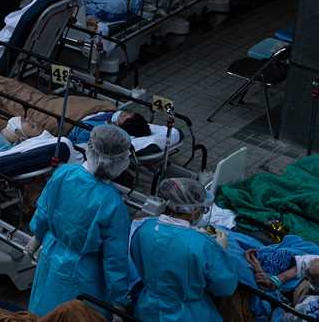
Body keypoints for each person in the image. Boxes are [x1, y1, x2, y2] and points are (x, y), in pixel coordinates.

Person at [26, 124, 132, 315]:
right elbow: (115, 260)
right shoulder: (112, 203)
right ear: (119, 161)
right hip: (85, 273)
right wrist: (119, 302)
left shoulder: (64, 173)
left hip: (51, 255)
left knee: (42, 311)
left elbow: (44, 212)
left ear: (90, 149)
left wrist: (36, 239)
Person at [130, 177, 238, 322]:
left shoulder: (144, 228)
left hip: (147, 309)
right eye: (203, 209)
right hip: (187, 315)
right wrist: (221, 251)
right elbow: (225, 287)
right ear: (193, 211)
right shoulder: (202, 245)